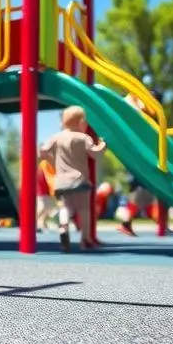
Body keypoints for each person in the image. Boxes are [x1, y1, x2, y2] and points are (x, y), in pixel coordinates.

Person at [39, 106, 107, 252]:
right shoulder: (83, 137)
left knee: (66, 208)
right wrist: (103, 144)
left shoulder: (56, 137)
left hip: (61, 182)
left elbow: (43, 151)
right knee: (84, 210)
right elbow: (94, 154)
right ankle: (85, 238)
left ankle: (63, 226)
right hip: (79, 180)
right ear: (81, 122)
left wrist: (53, 161)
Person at [36, 159, 56, 232]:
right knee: (42, 207)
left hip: (47, 190)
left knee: (48, 207)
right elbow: (49, 177)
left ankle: (41, 222)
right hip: (42, 190)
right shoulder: (44, 164)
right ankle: (35, 222)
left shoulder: (48, 163)